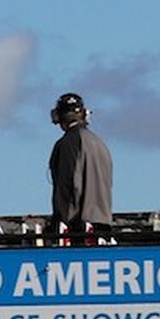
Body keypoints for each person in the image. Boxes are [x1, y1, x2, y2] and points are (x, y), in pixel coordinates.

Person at [48, 92, 113, 241]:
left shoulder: (68, 143)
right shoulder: (99, 143)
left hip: (80, 230)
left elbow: (69, 185)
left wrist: (64, 221)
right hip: (103, 227)